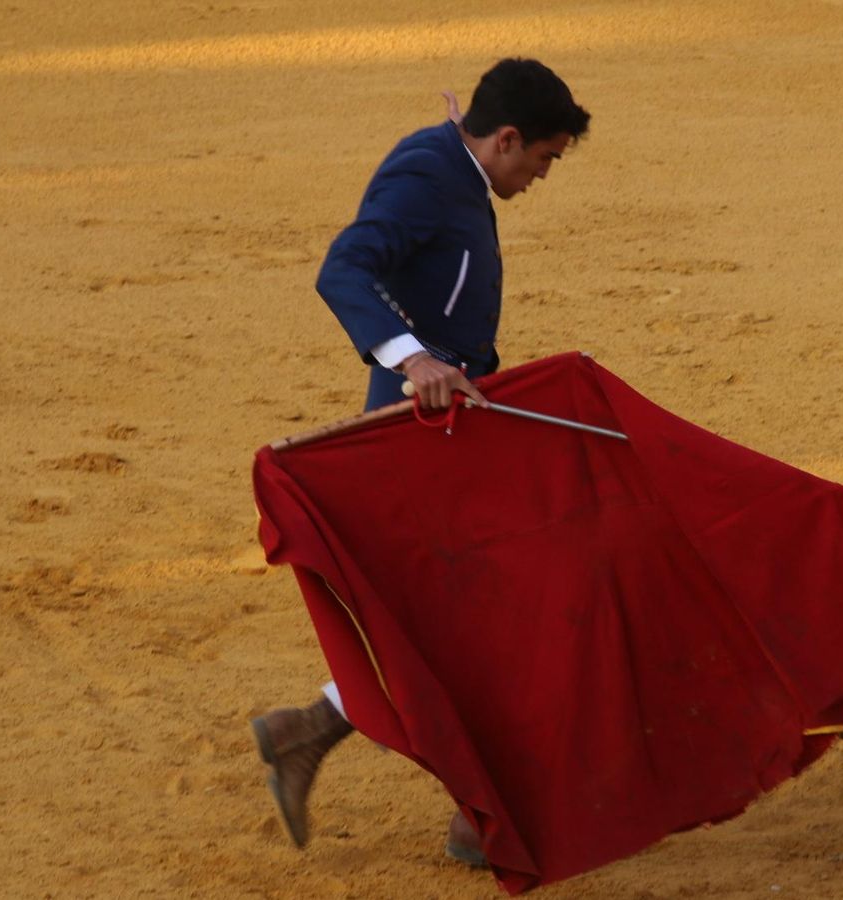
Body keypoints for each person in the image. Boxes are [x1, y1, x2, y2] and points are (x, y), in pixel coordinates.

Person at [250, 57, 591, 867]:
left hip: (458, 428)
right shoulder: (429, 172)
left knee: (467, 617)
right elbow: (345, 268)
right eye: (542, 156)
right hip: (420, 434)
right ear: (505, 138)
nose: (543, 174)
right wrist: (413, 360)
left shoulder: (455, 165)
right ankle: (478, 815)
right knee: (486, 619)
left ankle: (320, 730)